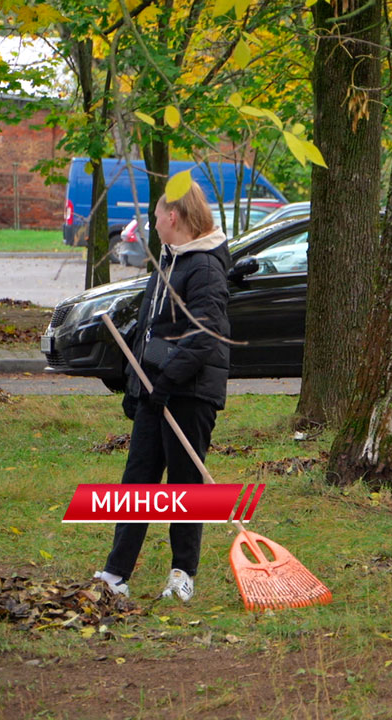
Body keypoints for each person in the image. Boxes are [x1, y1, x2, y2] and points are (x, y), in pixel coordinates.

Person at [92, 180, 232, 602]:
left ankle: (183, 574)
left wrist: (168, 382)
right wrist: (137, 388)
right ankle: (116, 574)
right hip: (157, 393)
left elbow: (205, 335)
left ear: (173, 216)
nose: (153, 223)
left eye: (156, 215)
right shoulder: (169, 262)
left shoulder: (204, 266)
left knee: (184, 488)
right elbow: (153, 331)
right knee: (137, 483)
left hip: (188, 395)